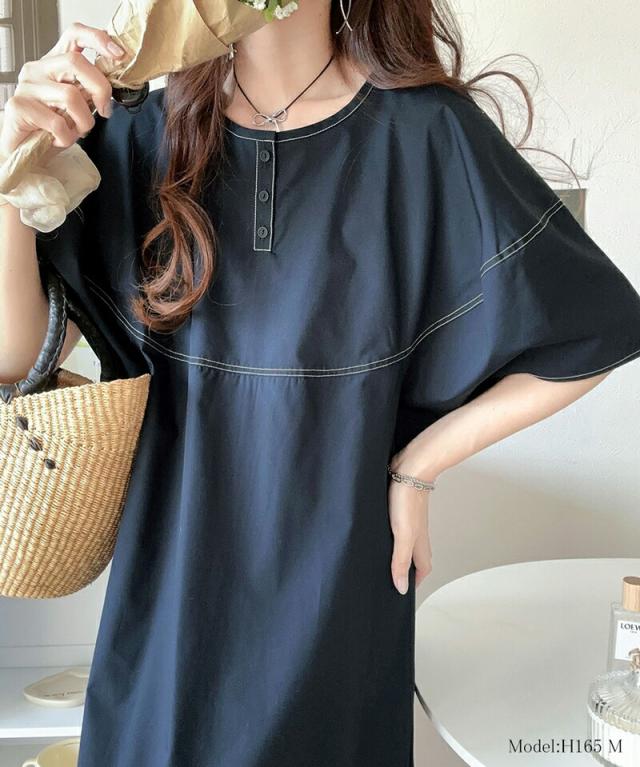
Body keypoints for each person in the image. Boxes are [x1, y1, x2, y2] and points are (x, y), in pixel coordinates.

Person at [2, 0, 640, 764]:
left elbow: (596, 328)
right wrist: (13, 163)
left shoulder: (425, 137)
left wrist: (420, 463)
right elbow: (18, 356)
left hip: (335, 637)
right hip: (165, 639)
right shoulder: (137, 129)